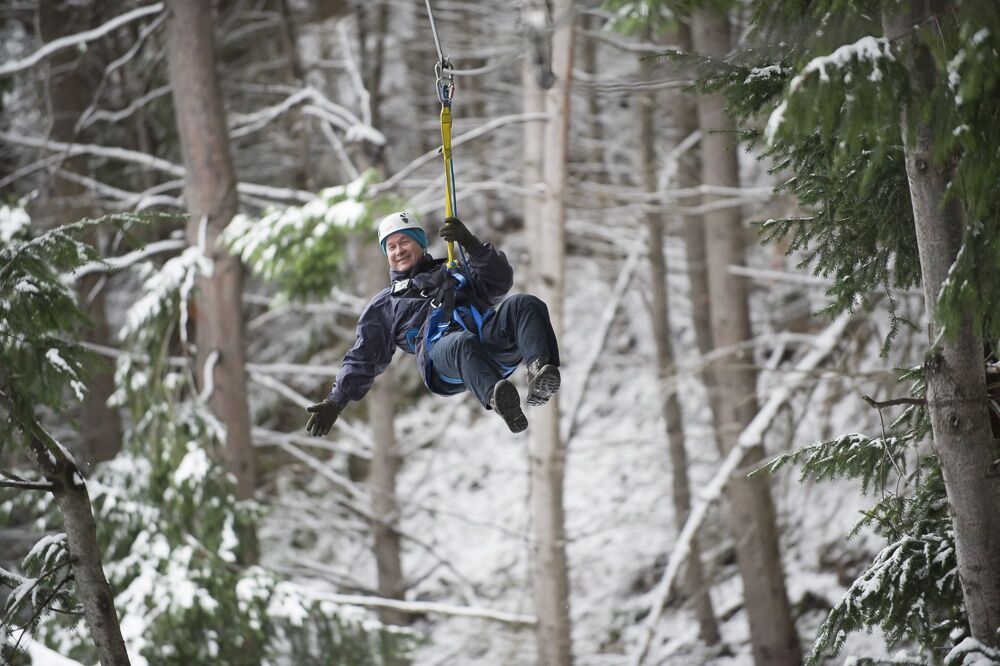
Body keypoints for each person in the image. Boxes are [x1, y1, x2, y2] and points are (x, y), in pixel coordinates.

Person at [305, 212, 561, 436]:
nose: (399, 250)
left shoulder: (453, 269)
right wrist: (336, 401)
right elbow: (363, 358)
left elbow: (499, 282)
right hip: (442, 360)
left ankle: (539, 371)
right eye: (391, 247)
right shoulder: (386, 305)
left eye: (404, 241)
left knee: (524, 303)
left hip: (487, 340)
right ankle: (498, 397)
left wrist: (471, 244)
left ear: (420, 243)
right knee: (461, 342)